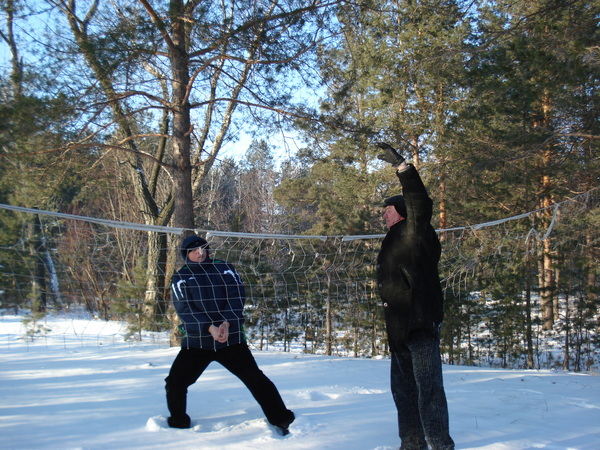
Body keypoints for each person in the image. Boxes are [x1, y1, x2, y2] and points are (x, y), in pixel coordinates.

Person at [165, 235, 295, 435]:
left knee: (255, 379)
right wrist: (209, 327)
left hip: (230, 339)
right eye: (194, 250)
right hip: (198, 342)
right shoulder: (181, 277)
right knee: (175, 383)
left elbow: (237, 297)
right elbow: (184, 309)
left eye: (203, 249)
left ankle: (282, 419)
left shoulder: (224, 268)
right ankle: (178, 424)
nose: (200, 253)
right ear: (186, 254)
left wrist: (226, 323)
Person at [375, 142, 455, 450]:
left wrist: (402, 168)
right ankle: (411, 444)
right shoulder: (393, 238)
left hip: (419, 325)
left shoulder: (415, 232)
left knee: (428, 390)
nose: (384, 214)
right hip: (398, 329)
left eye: (388, 210)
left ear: (402, 212)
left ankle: (440, 444)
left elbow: (419, 201)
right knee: (404, 392)